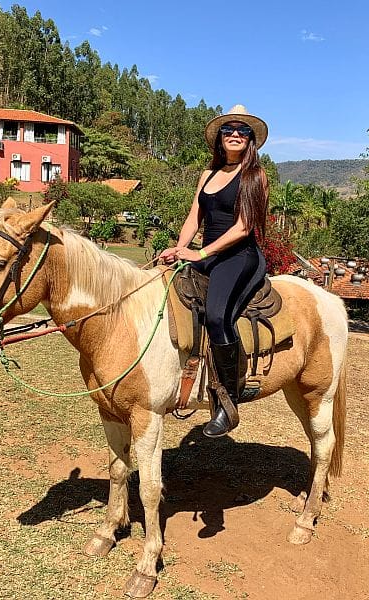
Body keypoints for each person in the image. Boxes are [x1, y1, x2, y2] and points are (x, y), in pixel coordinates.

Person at [160, 105, 269, 437]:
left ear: (250, 140)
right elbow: (195, 216)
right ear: (219, 139)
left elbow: (243, 227)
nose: (234, 134)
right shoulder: (206, 175)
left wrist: (200, 252)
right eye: (228, 130)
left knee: (218, 316)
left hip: (239, 256)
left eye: (242, 131)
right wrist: (180, 249)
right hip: (205, 253)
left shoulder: (255, 177)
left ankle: (227, 401)